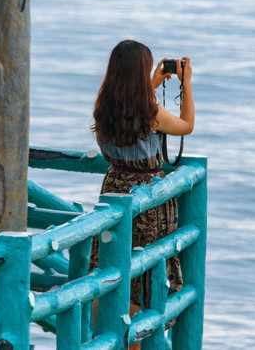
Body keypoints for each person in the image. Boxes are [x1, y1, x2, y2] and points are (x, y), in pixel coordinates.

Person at [89, 39, 195, 325]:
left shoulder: (103, 106)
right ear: (141, 72)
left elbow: (128, 108)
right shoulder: (151, 115)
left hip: (113, 189)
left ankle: (105, 339)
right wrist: (187, 85)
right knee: (142, 277)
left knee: (108, 267)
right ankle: (134, 342)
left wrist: (150, 84)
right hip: (146, 200)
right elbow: (186, 125)